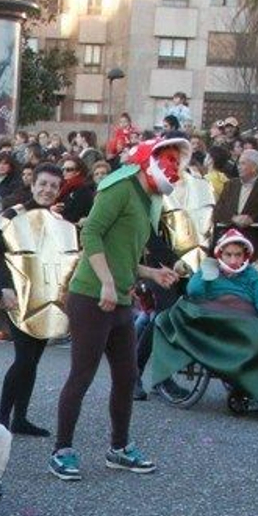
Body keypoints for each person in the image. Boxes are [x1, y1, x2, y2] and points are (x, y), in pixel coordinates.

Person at [49, 139, 184, 481]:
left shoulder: (146, 198)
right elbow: (91, 233)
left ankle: (119, 448)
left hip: (120, 298)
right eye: (167, 159)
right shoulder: (119, 188)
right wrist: (107, 282)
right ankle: (61, 451)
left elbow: (121, 252)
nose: (173, 167)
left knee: (127, 376)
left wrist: (151, 272)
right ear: (146, 161)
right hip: (92, 297)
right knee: (82, 374)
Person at [144, 229, 258, 412]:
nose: (233, 260)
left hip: (246, 316)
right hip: (218, 322)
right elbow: (194, 292)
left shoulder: (250, 274)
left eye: (237, 255)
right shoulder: (211, 270)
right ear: (220, 254)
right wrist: (205, 273)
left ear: (245, 255)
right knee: (255, 336)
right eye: (228, 255)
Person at [0, 162, 79, 435]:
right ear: (32, 185)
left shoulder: (58, 222)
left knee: (33, 359)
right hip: (17, 297)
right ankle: (3, 418)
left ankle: (20, 418)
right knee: (24, 358)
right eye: (43, 184)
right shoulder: (11, 215)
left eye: (54, 185)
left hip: (46, 299)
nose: (48, 189)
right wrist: (3, 287)